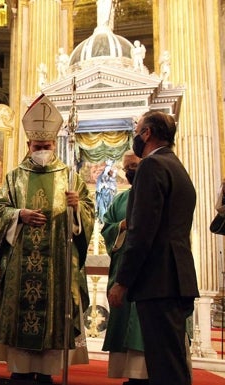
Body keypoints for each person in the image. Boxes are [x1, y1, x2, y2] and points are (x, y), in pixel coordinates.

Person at [0, 94, 95, 384]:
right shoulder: (14, 177)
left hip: (56, 269)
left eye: (47, 147)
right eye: (37, 147)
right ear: (28, 146)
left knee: (52, 322)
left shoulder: (70, 177)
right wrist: (19, 215)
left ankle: (47, 372)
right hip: (21, 267)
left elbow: (88, 215)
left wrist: (76, 208)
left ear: (55, 145)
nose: (42, 151)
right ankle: (21, 371)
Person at [107, 111, 198, 385]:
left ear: (146, 133)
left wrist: (122, 281)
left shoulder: (152, 166)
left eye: (137, 130)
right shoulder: (177, 167)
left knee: (164, 367)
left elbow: (142, 231)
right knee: (172, 362)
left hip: (158, 281)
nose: (135, 135)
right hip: (177, 278)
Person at [101, 150, 149, 385]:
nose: (130, 171)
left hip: (148, 274)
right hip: (122, 269)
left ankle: (144, 375)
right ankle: (131, 376)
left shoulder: (155, 194)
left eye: (135, 166)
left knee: (144, 326)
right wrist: (121, 225)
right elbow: (106, 227)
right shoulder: (121, 199)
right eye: (127, 167)